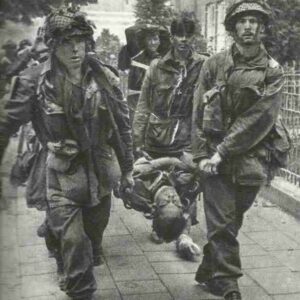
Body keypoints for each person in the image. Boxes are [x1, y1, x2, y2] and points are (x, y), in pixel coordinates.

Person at [0, 6, 134, 300]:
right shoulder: (35, 81)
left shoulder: (105, 78)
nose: (75, 49)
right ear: (52, 45)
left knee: (94, 236)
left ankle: (55, 236)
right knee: (76, 244)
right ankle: (79, 288)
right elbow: (6, 124)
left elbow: (122, 127)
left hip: (100, 174)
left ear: (88, 43)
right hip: (61, 176)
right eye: (65, 42)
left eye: (80, 41)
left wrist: (128, 170)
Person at [192, 1, 291, 299]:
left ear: (262, 28)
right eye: (242, 21)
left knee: (231, 220)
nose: (248, 26)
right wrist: (201, 154)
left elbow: (258, 119)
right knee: (222, 222)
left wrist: (224, 150)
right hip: (214, 159)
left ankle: (209, 267)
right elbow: (197, 109)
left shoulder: (272, 72)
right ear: (233, 28)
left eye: (254, 21)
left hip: (252, 159)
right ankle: (228, 282)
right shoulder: (214, 64)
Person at [133, 14, 207, 243]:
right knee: (156, 183)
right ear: (172, 36)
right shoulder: (156, 67)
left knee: (187, 182)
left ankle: (184, 230)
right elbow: (144, 105)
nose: (183, 40)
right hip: (157, 136)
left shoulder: (204, 65)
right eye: (178, 35)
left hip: (187, 135)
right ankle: (160, 222)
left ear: (193, 37)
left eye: (187, 35)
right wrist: (136, 140)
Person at [118, 152, 201, 260]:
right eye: (176, 203)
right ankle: (164, 227)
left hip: (160, 158)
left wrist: (184, 239)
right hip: (167, 155)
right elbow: (186, 214)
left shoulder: (142, 188)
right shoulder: (185, 191)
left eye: (165, 203)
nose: (171, 198)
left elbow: (129, 174)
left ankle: (161, 228)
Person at [127, 24, 162, 124]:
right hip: (139, 107)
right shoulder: (138, 62)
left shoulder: (160, 59)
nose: (152, 43)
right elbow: (134, 91)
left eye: (155, 39)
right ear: (144, 41)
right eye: (149, 40)